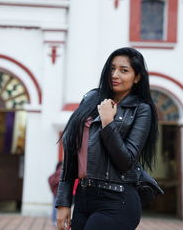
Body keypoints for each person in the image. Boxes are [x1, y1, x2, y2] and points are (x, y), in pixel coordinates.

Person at [56, 47, 158, 230]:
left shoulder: (141, 110)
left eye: (123, 70)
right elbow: (71, 153)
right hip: (83, 197)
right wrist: (63, 202)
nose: (115, 74)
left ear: (137, 77)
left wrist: (107, 122)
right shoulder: (90, 98)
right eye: (112, 68)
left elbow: (126, 160)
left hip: (117, 200)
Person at [48, 161, 62, 226]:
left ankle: (54, 220)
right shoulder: (61, 171)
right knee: (58, 208)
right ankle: (55, 221)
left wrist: (52, 190)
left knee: (54, 207)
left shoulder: (56, 172)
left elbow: (49, 179)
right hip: (59, 192)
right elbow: (59, 180)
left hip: (55, 192)